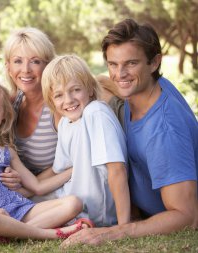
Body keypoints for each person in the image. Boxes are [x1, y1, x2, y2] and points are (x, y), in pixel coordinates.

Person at [62, 19, 198, 247]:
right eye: (113, 64)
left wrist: (117, 231)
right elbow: (107, 81)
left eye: (130, 64)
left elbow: (187, 216)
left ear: (154, 62)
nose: (120, 73)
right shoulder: (147, 88)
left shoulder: (164, 130)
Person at [0, 80, 94, 247]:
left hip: (16, 209)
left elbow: (36, 186)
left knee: (74, 203)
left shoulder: (7, 151)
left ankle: (9, 235)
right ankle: (52, 234)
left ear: (4, 114)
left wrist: (76, 168)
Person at [41, 54, 130, 227]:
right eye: (59, 95)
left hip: (94, 213)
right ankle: (3, 227)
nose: (68, 100)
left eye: (75, 90)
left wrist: (123, 226)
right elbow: (61, 171)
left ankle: (8, 229)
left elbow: (117, 170)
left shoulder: (95, 113)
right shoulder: (67, 123)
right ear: (51, 100)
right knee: (25, 203)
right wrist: (27, 186)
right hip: (70, 200)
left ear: (89, 89)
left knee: (29, 210)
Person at [0, 27, 60, 201]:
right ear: (8, 67)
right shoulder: (11, 103)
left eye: (35, 61)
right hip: (25, 192)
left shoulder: (58, 107)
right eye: (18, 61)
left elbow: (69, 163)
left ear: (48, 65)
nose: (25, 70)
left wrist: (28, 190)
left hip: (57, 191)